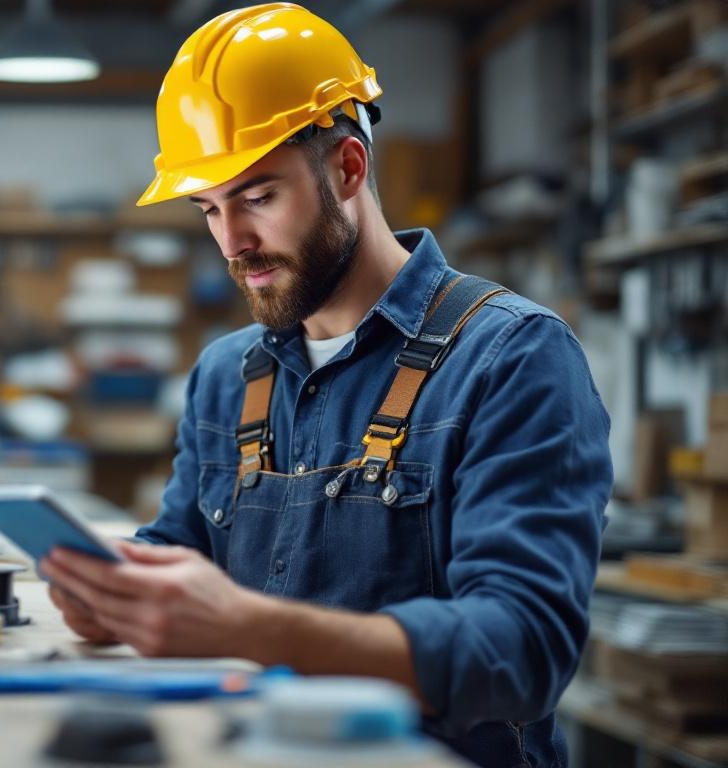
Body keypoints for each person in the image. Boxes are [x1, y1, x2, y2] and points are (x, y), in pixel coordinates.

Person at [39, 5, 612, 767]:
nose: (234, 244)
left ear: (347, 167)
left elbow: (523, 651)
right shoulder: (227, 375)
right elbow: (182, 548)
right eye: (210, 208)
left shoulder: (511, 358)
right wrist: (112, 599)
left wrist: (247, 627)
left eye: (258, 197)